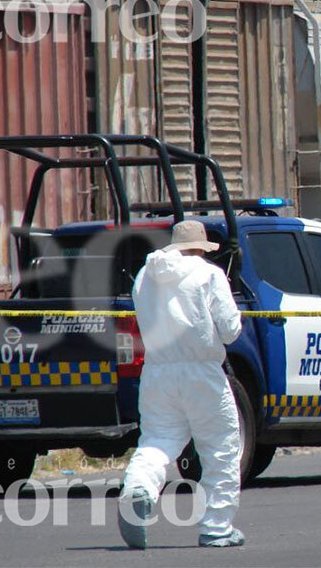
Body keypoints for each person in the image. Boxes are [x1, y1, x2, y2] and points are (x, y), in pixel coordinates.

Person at [117, 220, 245, 549]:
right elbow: (230, 330)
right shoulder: (209, 275)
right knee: (221, 449)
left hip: (158, 372)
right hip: (201, 372)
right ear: (201, 248)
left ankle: (139, 488)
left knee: (157, 441)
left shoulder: (145, 276)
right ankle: (217, 527)